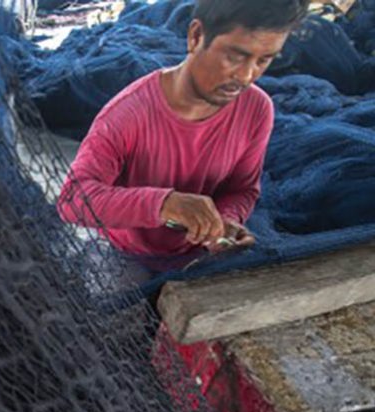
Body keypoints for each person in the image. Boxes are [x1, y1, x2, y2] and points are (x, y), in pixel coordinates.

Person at [57, 0, 310, 264]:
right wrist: (165, 205)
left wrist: (224, 222)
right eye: (235, 57)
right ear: (196, 36)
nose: (247, 76)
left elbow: (242, 189)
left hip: (196, 255)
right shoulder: (128, 113)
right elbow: (72, 200)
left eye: (263, 61)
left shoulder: (257, 109)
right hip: (125, 254)